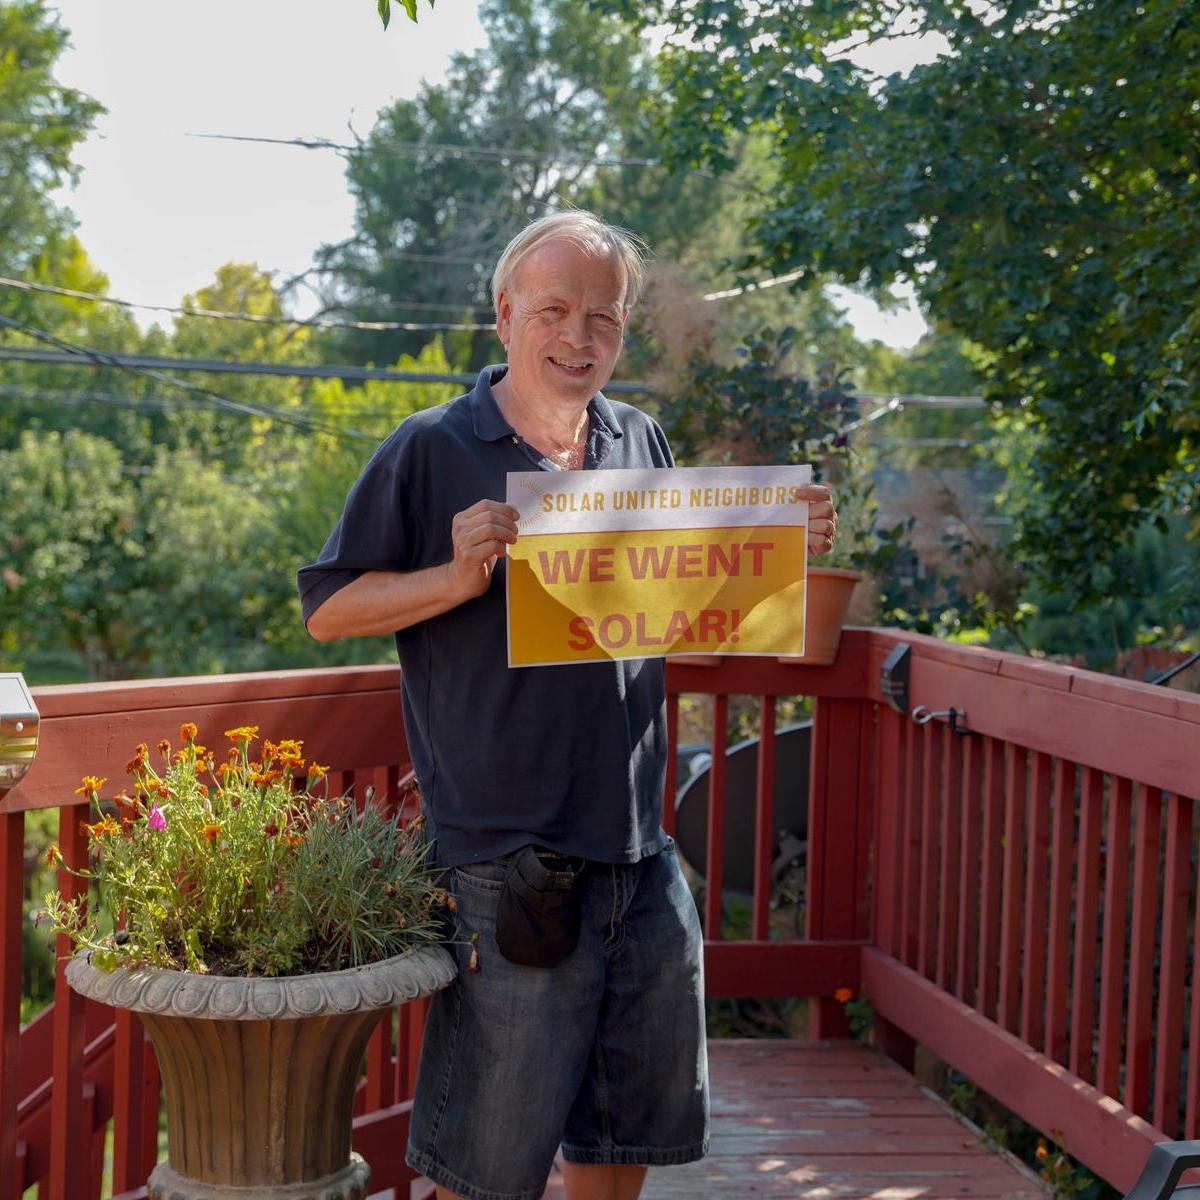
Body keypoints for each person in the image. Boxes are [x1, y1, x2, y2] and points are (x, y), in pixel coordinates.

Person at [298, 210, 838, 1200]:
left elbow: (689, 626)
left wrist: (777, 550)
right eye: (554, 309)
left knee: (623, 1144)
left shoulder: (639, 437)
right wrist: (454, 579)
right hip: (508, 864)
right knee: (488, 1166)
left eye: (604, 317)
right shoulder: (430, 447)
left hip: (642, 850)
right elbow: (329, 608)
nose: (580, 338)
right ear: (505, 314)